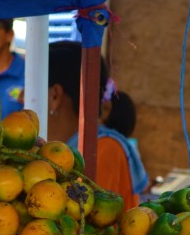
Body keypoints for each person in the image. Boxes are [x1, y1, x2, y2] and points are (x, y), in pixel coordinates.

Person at [46, 41, 149, 212]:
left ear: (55, 96)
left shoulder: (104, 150)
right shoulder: (53, 149)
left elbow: (90, 226)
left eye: (29, 88)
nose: (21, 97)